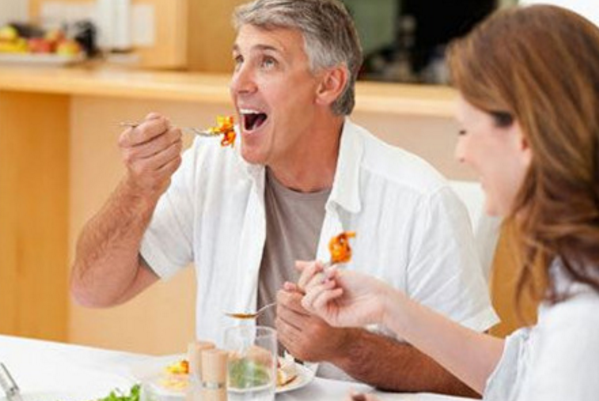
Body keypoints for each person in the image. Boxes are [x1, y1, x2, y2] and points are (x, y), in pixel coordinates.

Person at [70, 0, 496, 394]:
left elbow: (478, 382)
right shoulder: (211, 164)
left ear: (328, 84)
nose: (238, 84)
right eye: (239, 59)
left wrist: (346, 347)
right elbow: (92, 291)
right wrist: (137, 191)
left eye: (267, 62)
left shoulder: (421, 201)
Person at [300, 5, 599, 400]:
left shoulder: (586, 317)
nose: (461, 153)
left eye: (465, 130)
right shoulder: (577, 266)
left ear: (523, 137)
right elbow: (522, 371)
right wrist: (387, 307)